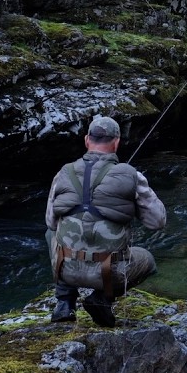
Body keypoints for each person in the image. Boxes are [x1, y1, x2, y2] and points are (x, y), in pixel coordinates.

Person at [43, 116, 166, 326]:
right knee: (148, 260)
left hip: (66, 268)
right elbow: (157, 222)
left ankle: (64, 303)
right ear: (117, 142)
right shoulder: (132, 176)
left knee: (50, 234)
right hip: (110, 275)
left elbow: (51, 222)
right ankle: (101, 299)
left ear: (86, 140)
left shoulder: (63, 173)